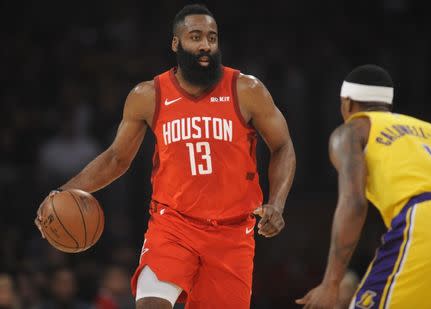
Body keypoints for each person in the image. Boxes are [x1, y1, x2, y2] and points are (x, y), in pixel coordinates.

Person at [35, 4, 296, 309]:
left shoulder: (247, 89)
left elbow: (283, 146)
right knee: (151, 304)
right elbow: (117, 159)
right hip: (173, 226)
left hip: (232, 233)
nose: (205, 45)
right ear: (176, 43)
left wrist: (277, 203)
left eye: (212, 38)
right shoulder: (148, 95)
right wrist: (63, 192)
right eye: (195, 36)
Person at [296, 64, 431, 308]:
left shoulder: (352, 130)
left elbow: (354, 203)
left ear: (346, 103)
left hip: (424, 218)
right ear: (386, 104)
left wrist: (331, 283)